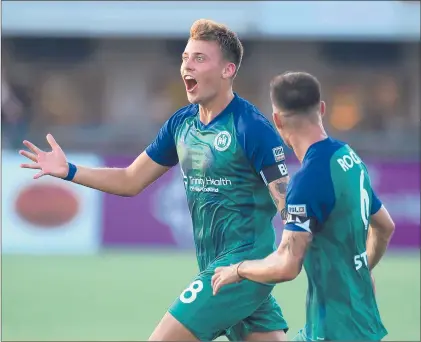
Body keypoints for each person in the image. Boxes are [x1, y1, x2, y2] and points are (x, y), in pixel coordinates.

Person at [19, 19, 291, 341]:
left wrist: (314, 251)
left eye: (200, 59)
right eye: (185, 58)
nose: (187, 66)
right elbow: (130, 179)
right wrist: (70, 171)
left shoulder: (251, 127)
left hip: (242, 269)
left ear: (228, 70)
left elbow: (288, 204)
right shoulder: (181, 123)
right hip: (219, 269)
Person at [211, 71, 396, 341]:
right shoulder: (348, 158)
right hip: (360, 323)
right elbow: (385, 227)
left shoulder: (308, 180)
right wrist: (361, 267)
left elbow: (287, 265)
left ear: (276, 120)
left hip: (334, 331)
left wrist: (238, 269)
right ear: (321, 109)